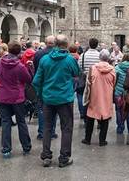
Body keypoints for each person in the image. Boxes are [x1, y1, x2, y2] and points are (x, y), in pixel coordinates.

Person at [33, 34, 80, 168]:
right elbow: (76, 73)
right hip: (65, 98)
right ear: (66, 45)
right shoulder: (70, 60)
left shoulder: (45, 59)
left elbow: (36, 81)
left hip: (48, 98)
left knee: (47, 127)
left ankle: (46, 156)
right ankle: (64, 157)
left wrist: (41, 94)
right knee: (66, 127)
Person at [0, 41, 33, 158]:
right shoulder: (19, 66)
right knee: (21, 121)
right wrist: (30, 69)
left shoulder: (0, 63)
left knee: (6, 122)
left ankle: (6, 149)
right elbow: (28, 79)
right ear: (19, 52)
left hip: (3, 95)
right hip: (17, 97)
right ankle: (26, 146)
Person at [82, 49, 116, 146]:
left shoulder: (92, 68)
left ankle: (87, 139)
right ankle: (102, 140)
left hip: (94, 95)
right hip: (106, 96)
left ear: (99, 57)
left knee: (91, 117)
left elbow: (88, 81)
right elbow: (114, 83)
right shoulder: (112, 69)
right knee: (105, 117)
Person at [34, 35, 58, 140]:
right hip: (55, 85)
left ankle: (42, 132)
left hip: (42, 85)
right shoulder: (58, 54)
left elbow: (36, 70)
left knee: (42, 110)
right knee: (54, 110)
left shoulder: (38, 54)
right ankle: (51, 131)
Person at [77, 38, 100, 120]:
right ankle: (96, 116)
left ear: (89, 45)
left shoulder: (82, 55)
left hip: (84, 78)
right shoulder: (99, 55)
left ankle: (84, 114)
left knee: (82, 95)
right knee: (97, 98)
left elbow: (79, 67)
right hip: (96, 79)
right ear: (97, 45)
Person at [114, 53, 129, 134]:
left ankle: (120, 128)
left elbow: (114, 81)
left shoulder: (117, 67)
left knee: (118, 110)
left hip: (119, 92)